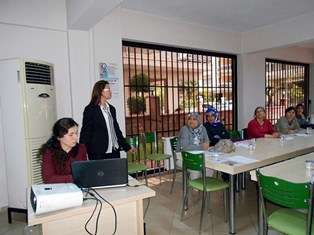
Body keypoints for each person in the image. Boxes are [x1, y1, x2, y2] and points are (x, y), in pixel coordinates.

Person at [80, 80, 136, 160]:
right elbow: (85, 131)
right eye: (108, 89)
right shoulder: (90, 109)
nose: (110, 91)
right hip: (97, 152)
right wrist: (81, 151)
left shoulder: (112, 109)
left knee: (114, 172)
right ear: (101, 92)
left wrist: (127, 147)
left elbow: (116, 130)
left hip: (114, 151)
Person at [39, 118, 87, 183]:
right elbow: (49, 179)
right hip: (57, 190)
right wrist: (76, 177)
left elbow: (84, 173)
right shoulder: (49, 152)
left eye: (76, 133)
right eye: (71, 135)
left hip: (77, 188)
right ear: (59, 137)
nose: (75, 137)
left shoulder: (81, 148)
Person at [176, 112, 211, 179]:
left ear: (198, 121)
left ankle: (204, 185)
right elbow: (185, 147)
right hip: (183, 158)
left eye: (194, 119)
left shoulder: (202, 129)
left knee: (210, 167)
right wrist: (201, 146)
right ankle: (194, 187)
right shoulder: (184, 130)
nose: (191, 121)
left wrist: (204, 145)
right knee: (195, 168)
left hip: (198, 156)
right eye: (189, 119)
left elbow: (206, 142)